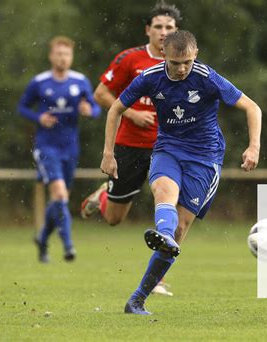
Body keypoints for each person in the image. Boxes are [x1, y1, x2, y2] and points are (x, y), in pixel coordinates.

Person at [100, 30, 262, 314]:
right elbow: (115, 109)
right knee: (164, 193)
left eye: (187, 61)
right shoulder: (150, 78)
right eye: (175, 63)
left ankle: (138, 298)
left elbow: (252, 107)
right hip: (168, 149)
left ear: (195, 55)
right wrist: (108, 154)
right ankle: (162, 235)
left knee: (181, 227)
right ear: (165, 55)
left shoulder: (207, 77)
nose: (182, 68)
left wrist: (253, 147)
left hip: (205, 158)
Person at [80, 1, 181, 296]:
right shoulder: (130, 59)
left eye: (169, 28)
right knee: (114, 219)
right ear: (148, 30)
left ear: (177, 31)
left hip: (168, 148)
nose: (164, 32)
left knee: (167, 202)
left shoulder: (184, 60)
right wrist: (132, 114)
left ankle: (158, 276)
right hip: (130, 146)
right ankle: (103, 197)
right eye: (159, 27)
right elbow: (101, 93)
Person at [18, 36, 101, 263]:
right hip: (46, 147)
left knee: (59, 201)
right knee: (60, 195)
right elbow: (22, 107)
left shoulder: (80, 81)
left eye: (66, 54)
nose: (62, 58)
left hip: (71, 148)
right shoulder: (40, 82)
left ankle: (42, 239)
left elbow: (95, 108)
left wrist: (89, 110)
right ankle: (68, 246)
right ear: (51, 56)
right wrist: (39, 117)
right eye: (58, 54)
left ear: (71, 57)